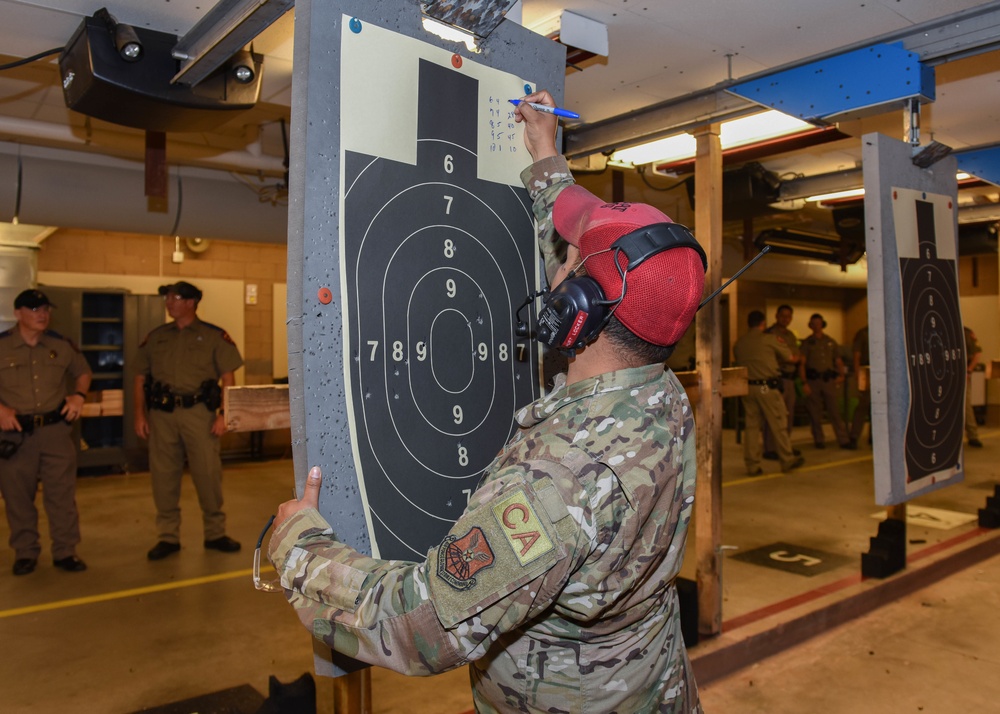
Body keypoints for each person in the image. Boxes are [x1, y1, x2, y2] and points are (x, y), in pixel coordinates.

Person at [267, 90, 705, 712]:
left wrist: (298, 550)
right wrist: (547, 160)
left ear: (578, 311)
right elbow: (596, 271)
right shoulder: (663, 395)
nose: (558, 269)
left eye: (571, 264)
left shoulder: (556, 483)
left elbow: (418, 624)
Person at [134, 281, 243, 560]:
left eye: (175, 297)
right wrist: (139, 414)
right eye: (167, 298)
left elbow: (229, 379)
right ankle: (168, 537)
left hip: (200, 415)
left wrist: (224, 414)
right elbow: (140, 379)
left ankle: (215, 533)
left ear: (192, 302)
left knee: (207, 474)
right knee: (163, 476)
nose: (169, 302)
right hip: (162, 416)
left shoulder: (214, 336)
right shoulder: (156, 337)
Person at [0, 289, 91, 575]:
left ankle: (65, 551)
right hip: (15, 435)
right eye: (34, 309)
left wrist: (78, 395)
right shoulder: (1, 346)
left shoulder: (60, 345)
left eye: (45, 309)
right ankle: (25, 552)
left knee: (62, 495)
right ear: (18, 314)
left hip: (54, 432)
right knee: (17, 496)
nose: (42, 314)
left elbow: (83, 371)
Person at [733, 310, 805, 475]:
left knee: (751, 427)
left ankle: (752, 465)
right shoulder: (769, 339)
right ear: (763, 323)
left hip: (748, 388)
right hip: (767, 388)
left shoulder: (740, 343)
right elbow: (790, 358)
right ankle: (787, 459)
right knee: (779, 423)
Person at [799, 313, 850, 449]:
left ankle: (843, 439)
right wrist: (804, 382)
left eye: (819, 323)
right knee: (815, 412)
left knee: (835, 411)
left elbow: (838, 360)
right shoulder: (807, 343)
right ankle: (819, 439)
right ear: (810, 326)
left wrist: (841, 375)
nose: (817, 326)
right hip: (813, 381)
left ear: (822, 324)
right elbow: (802, 364)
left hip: (828, 380)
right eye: (814, 323)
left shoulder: (830, 341)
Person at [763, 304, 801, 459]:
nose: (785, 319)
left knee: (788, 415)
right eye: (783, 316)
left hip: (790, 380)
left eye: (788, 316)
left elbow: (796, 356)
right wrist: (790, 359)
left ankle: (785, 447)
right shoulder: (769, 334)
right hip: (776, 379)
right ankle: (770, 449)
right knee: (774, 416)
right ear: (776, 316)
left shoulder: (791, 335)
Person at [848, 325, 870, 449]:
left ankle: (874, 437)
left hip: (882, 371)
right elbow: (857, 355)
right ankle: (854, 437)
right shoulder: (862, 333)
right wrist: (858, 375)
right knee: (863, 404)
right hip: (865, 370)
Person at [965, 326, 983, 448]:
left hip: (962, 373)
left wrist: (969, 370)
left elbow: (977, 353)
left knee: (966, 405)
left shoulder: (966, 332)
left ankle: (973, 435)